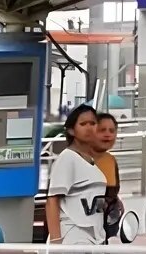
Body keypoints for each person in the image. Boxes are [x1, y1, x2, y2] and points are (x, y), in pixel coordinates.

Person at [46, 105, 108, 246]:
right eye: (83, 124)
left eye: (93, 123)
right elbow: (52, 201)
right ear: (72, 130)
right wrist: (56, 242)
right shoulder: (67, 158)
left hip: (93, 236)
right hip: (74, 235)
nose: (89, 128)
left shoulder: (90, 161)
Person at [93, 113, 122, 241]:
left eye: (112, 130)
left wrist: (117, 201)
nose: (107, 134)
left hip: (109, 224)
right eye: (102, 130)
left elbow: (112, 190)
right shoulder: (80, 159)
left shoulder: (111, 160)